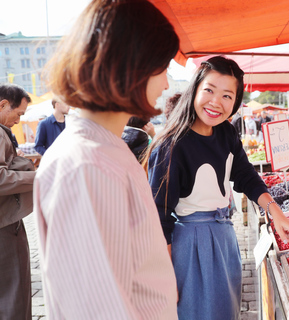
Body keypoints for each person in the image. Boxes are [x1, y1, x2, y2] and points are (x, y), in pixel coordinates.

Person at [33, 0, 180, 318]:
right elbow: (97, 307)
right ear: (133, 63)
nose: (167, 83)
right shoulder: (87, 165)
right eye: (163, 67)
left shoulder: (104, 150)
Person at [144, 56, 289, 320]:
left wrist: (276, 213)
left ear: (236, 101)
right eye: (209, 90)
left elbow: (246, 176)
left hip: (224, 239)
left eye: (227, 96)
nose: (216, 102)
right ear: (195, 89)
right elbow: (158, 218)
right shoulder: (172, 146)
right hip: (191, 247)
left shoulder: (226, 133)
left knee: (226, 311)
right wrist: (167, 275)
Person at [0, 83, 35, 320]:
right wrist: (39, 177)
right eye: (18, 114)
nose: (18, 120)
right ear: (3, 104)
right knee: (14, 293)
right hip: (4, 225)